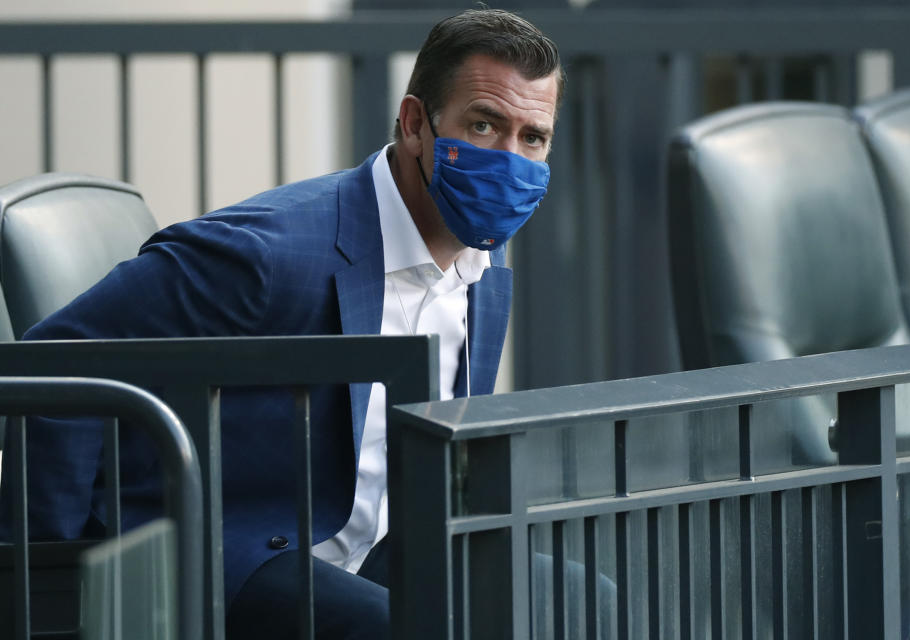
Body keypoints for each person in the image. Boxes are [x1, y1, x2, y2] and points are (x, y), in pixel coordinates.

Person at [0, 8, 563, 639]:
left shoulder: (483, 256)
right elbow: (57, 358)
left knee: (574, 600)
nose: (511, 161)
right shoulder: (265, 254)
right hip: (233, 555)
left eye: (533, 137)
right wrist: (44, 585)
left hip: (377, 549)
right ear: (414, 124)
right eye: (484, 125)